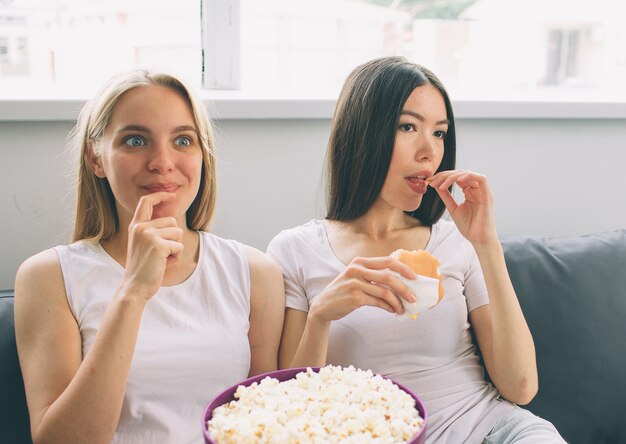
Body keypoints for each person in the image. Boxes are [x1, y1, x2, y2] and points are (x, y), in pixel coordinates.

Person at [267, 57, 565, 443]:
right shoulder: (295, 250)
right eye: (408, 127)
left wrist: (487, 246)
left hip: (493, 430)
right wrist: (321, 315)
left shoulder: (458, 243)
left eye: (439, 133)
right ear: (363, 133)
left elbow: (521, 387)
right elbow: (293, 410)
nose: (430, 152)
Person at [14, 70, 285, 443]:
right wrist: (132, 293)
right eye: (136, 140)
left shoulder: (255, 272)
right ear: (97, 158)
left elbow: (265, 422)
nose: (162, 161)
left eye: (183, 140)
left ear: (202, 156)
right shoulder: (48, 276)